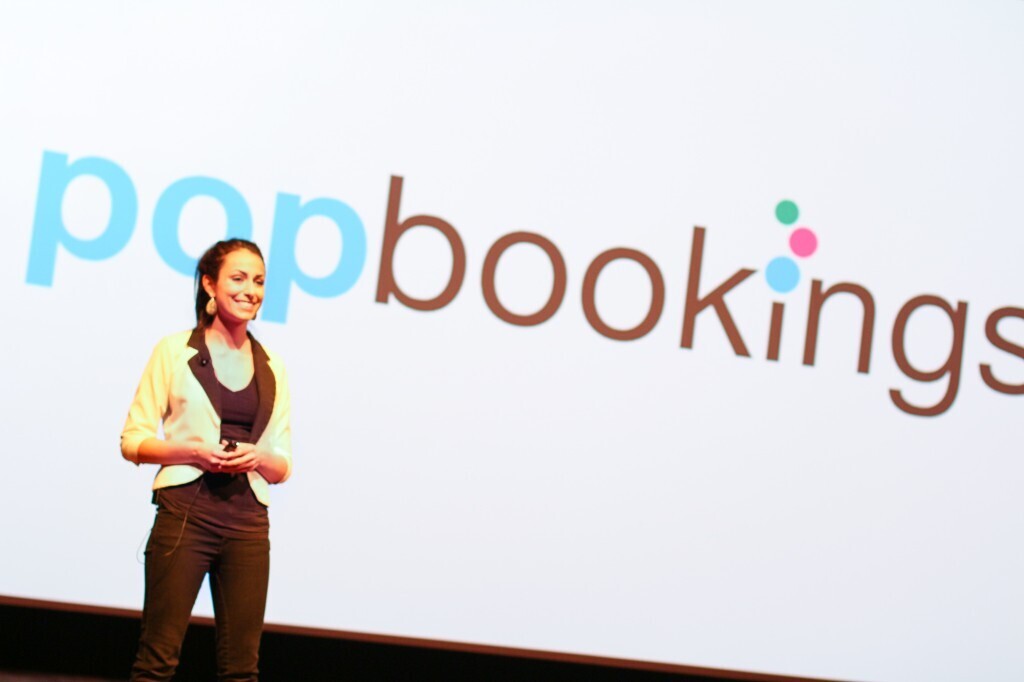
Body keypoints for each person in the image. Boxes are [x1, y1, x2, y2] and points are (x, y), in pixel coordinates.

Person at [120, 239, 292, 681]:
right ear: (210, 285)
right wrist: (194, 452)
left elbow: (282, 466)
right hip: (185, 517)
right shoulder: (174, 351)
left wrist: (259, 456)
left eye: (259, 281)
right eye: (238, 278)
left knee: (241, 671)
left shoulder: (272, 364)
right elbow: (133, 441)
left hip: (248, 526)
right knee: (156, 662)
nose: (250, 290)